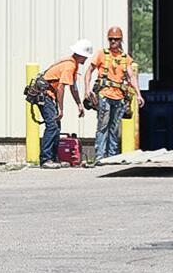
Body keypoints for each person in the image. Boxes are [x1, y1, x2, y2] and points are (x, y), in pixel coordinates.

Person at [85, 26, 141, 164]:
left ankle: (112, 157)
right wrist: (87, 89)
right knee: (103, 126)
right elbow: (89, 71)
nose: (113, 42)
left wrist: (138, 94)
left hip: (119, 98)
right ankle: (100, 157)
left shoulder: (125, 58)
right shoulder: (101, 54)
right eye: (111, 40)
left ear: (120, 40)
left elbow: (131, 77)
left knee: (114, 128)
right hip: (104, 95)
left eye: (116, 40)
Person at [38, 40, 92, 168]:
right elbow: (61, 87)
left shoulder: (72, 63)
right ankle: (45, 159)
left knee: (56, 126)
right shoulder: (70, 66)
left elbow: (73, 87)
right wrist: (60, 109)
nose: (86, 59)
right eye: (85, 56)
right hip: (45, 95)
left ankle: (53, 158)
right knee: (52, 126)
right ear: (80, 55)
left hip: (48, 94)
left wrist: (79, 104)